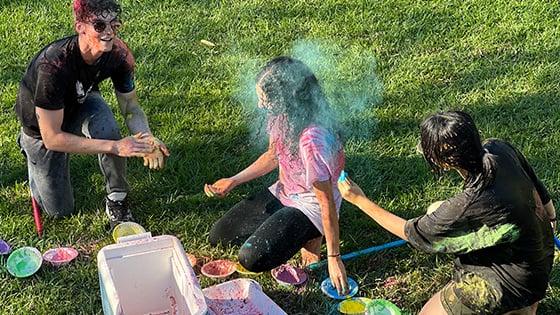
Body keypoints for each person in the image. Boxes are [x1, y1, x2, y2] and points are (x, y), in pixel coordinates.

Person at [339, 111, 555, 314]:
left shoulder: (467, 205)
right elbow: (541, 193)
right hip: (539, 263)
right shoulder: (499, 149)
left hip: (506, 282)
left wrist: (360, 200)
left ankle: (515, 306)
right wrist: (551, 218)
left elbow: (413, 233)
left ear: (444, 162)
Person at [14, 0, 169, 228]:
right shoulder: (53, 66)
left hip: (81, 101)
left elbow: (131, 107)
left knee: (108, 129)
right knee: (59, 211)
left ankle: (117, 198)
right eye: (99, 25)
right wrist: (115, 147)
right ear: (80, 27)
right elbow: (52, 138)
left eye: (114, 25)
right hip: (41, 131)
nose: (108, 33)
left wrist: (146, 136)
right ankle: (29, 149)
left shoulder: (119, 55)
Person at [205, 56, 349, 294]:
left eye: (265, 99)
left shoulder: (312, 140)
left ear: (286, 98)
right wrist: (233, 180)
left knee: (251, 259)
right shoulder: (283, 117)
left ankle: (311, 235)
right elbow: (274, 155)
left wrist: (334, 257)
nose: (261, 105)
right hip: (284, 191)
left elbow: (325, 202)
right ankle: (288, 229)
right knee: (219, 236)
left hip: (310, 206)